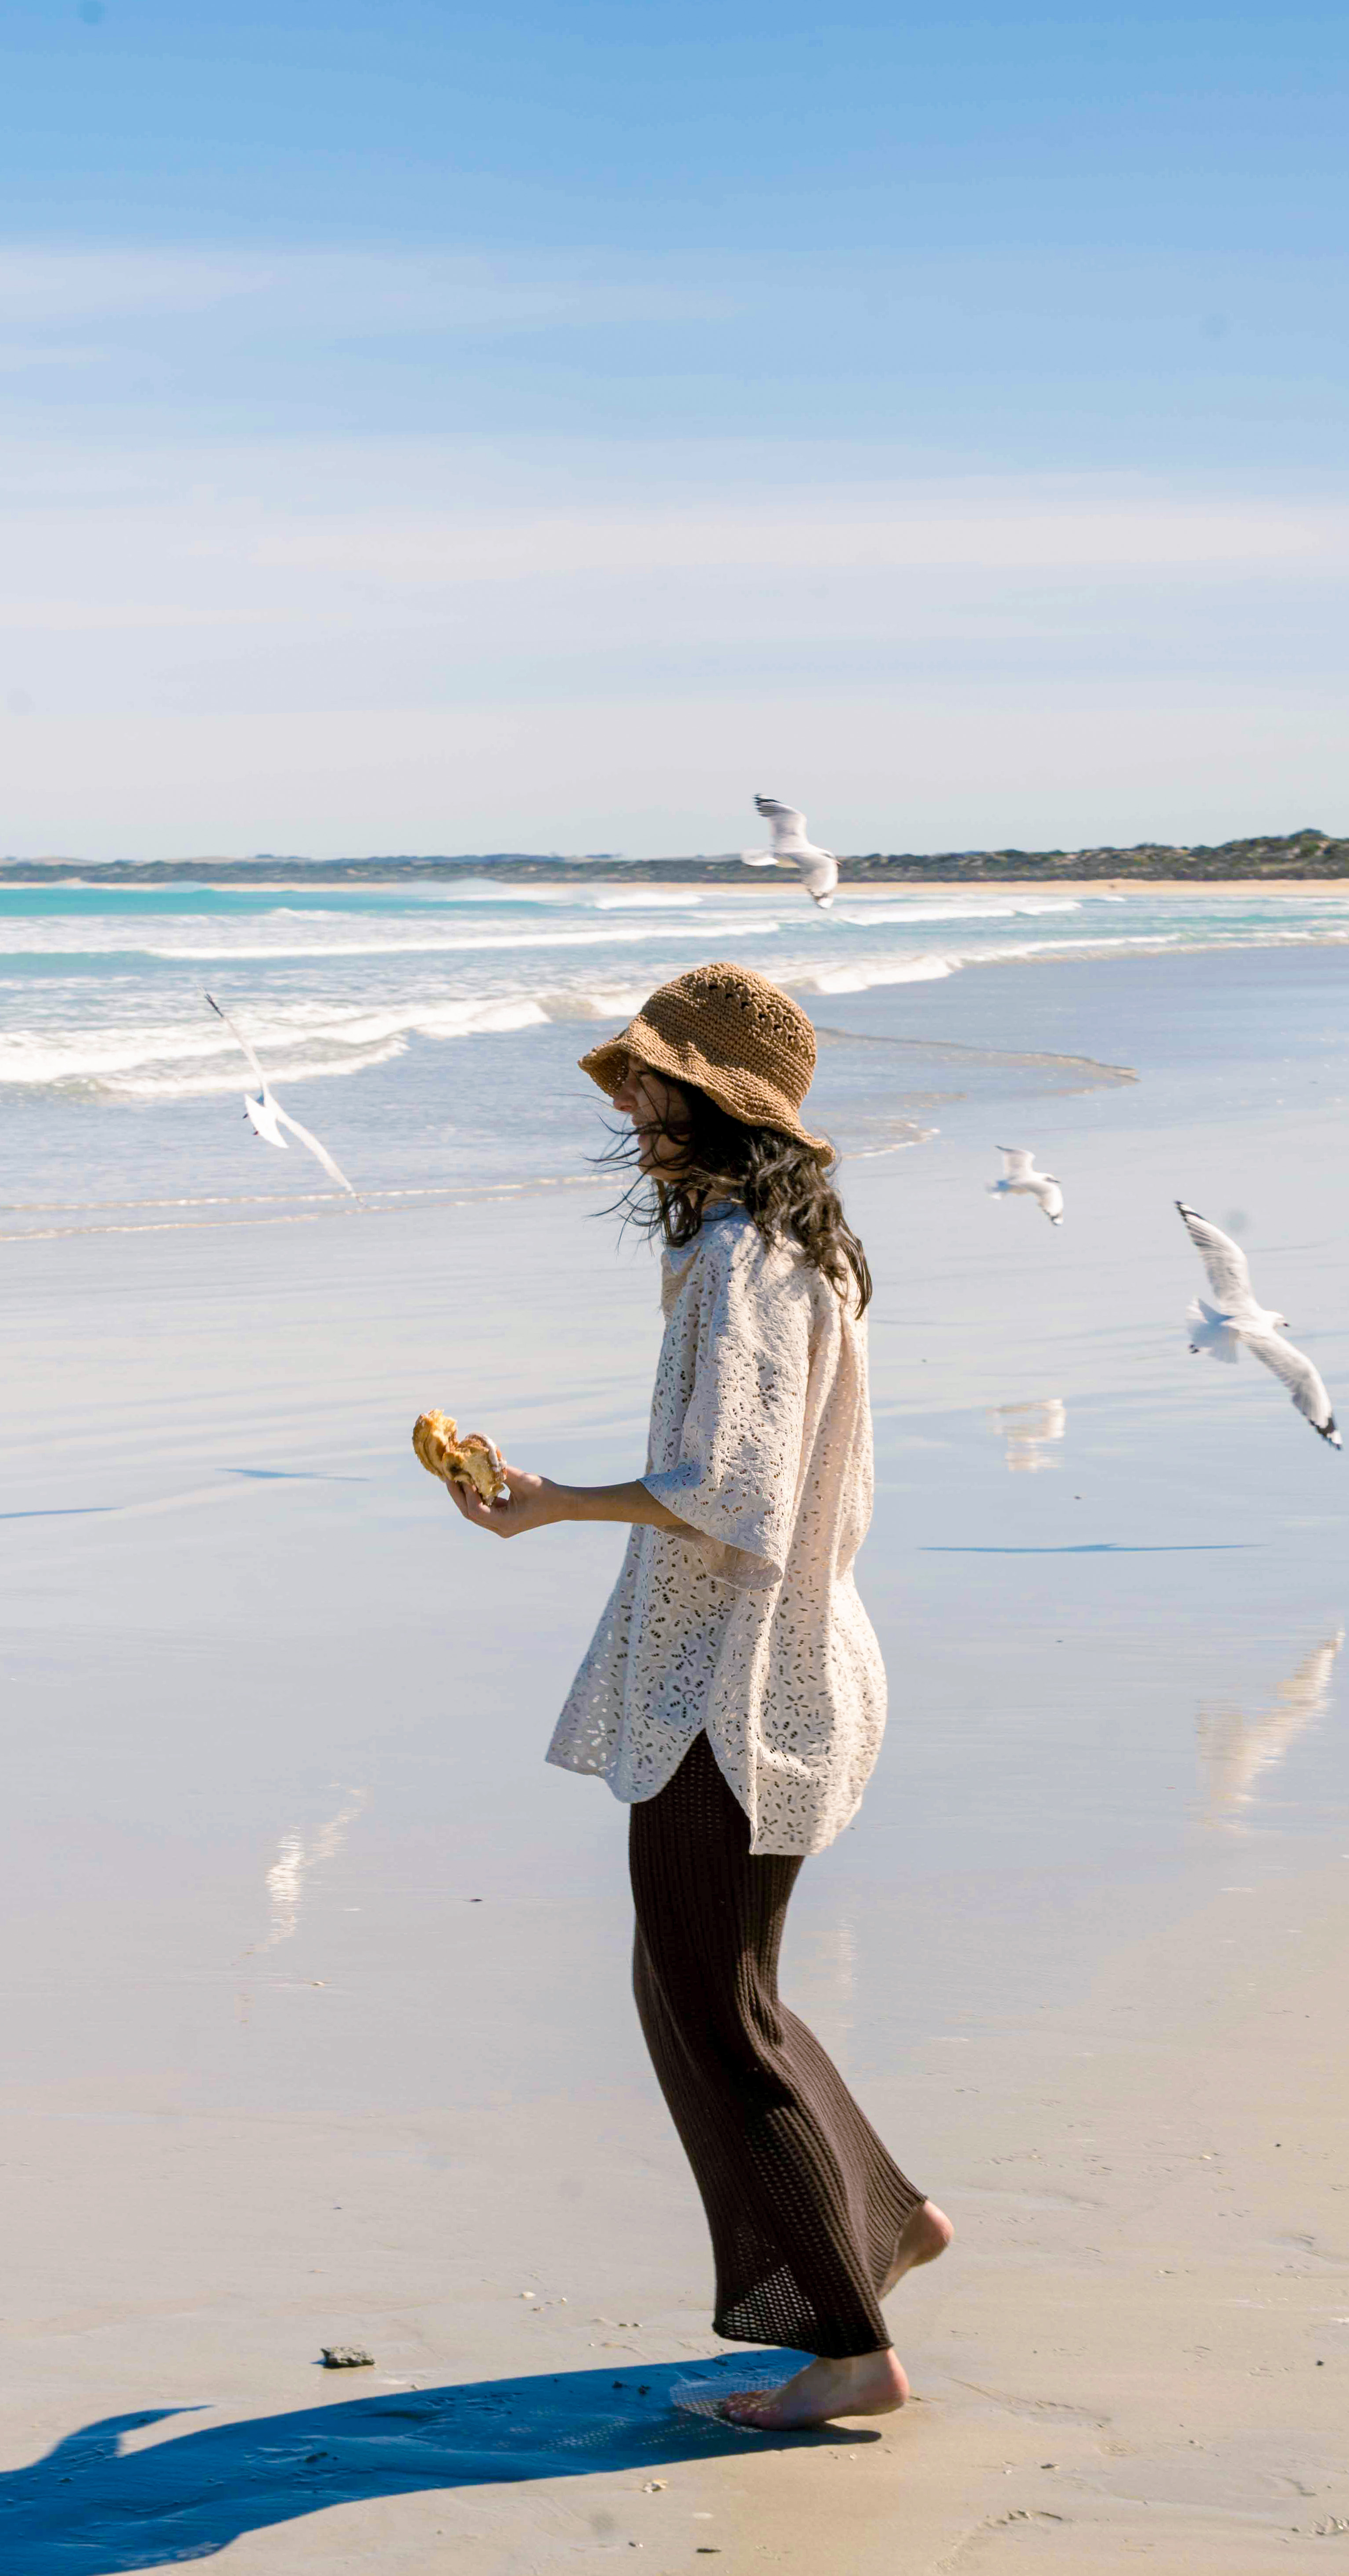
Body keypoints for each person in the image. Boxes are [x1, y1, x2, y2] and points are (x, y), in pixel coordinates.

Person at [439, 960, 950, 2428]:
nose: (636, 1105)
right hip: (788, 1662)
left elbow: (732, 1492)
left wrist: (549, 1505)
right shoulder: (802, 1249)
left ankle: (851, 2347)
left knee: (704, 2000)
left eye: (656, 1083)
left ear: (711, 1103)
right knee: (716, 1989)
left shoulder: (742, 1255)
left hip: (733, 1686)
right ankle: (889, 2225)